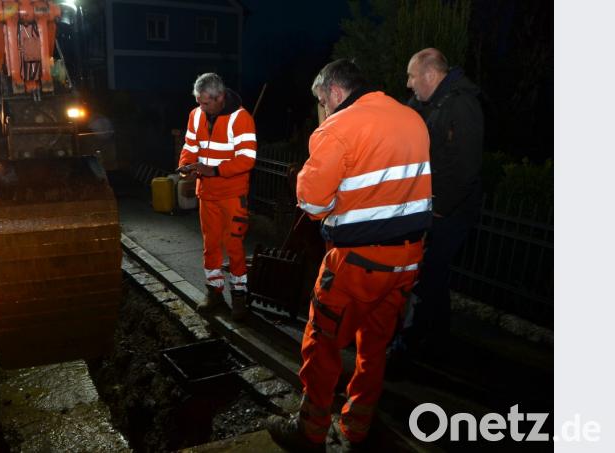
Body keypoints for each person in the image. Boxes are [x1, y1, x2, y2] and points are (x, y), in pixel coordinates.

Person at [266, 59, 431, 451]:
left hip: (357, 264)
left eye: (321, 102)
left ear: (334, 93)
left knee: (321, 343)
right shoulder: (412, 119)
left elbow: (312, 201)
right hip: (407, 261)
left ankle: (310, 429)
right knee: (373, 348)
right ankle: (357, 425)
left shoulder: (339, 127)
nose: (321, 110)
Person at [399, 48, 483, 356]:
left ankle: (421, 341)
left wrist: (439, 208)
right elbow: (402, 117)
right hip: (435, 208)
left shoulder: (461, 106)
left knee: (428, 273)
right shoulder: (432, 103)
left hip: (451, 211)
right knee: (433, 275)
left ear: (430, 75)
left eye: (411, 76)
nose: (408, 83)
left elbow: (466, 169)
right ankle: (435, 338)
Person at [177, 73, 257, 321]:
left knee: (233, 246)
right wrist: (186, 165)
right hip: (207, 194)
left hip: (233, 195)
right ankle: (214, 294)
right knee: (210, 245)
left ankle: (239, 299)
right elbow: (190, 146)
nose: (201, 107)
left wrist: (213, 170)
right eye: (199, 102)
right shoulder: (195, 115)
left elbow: (247, 159)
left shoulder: (241, 118)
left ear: (220, 97)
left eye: (206, 103)